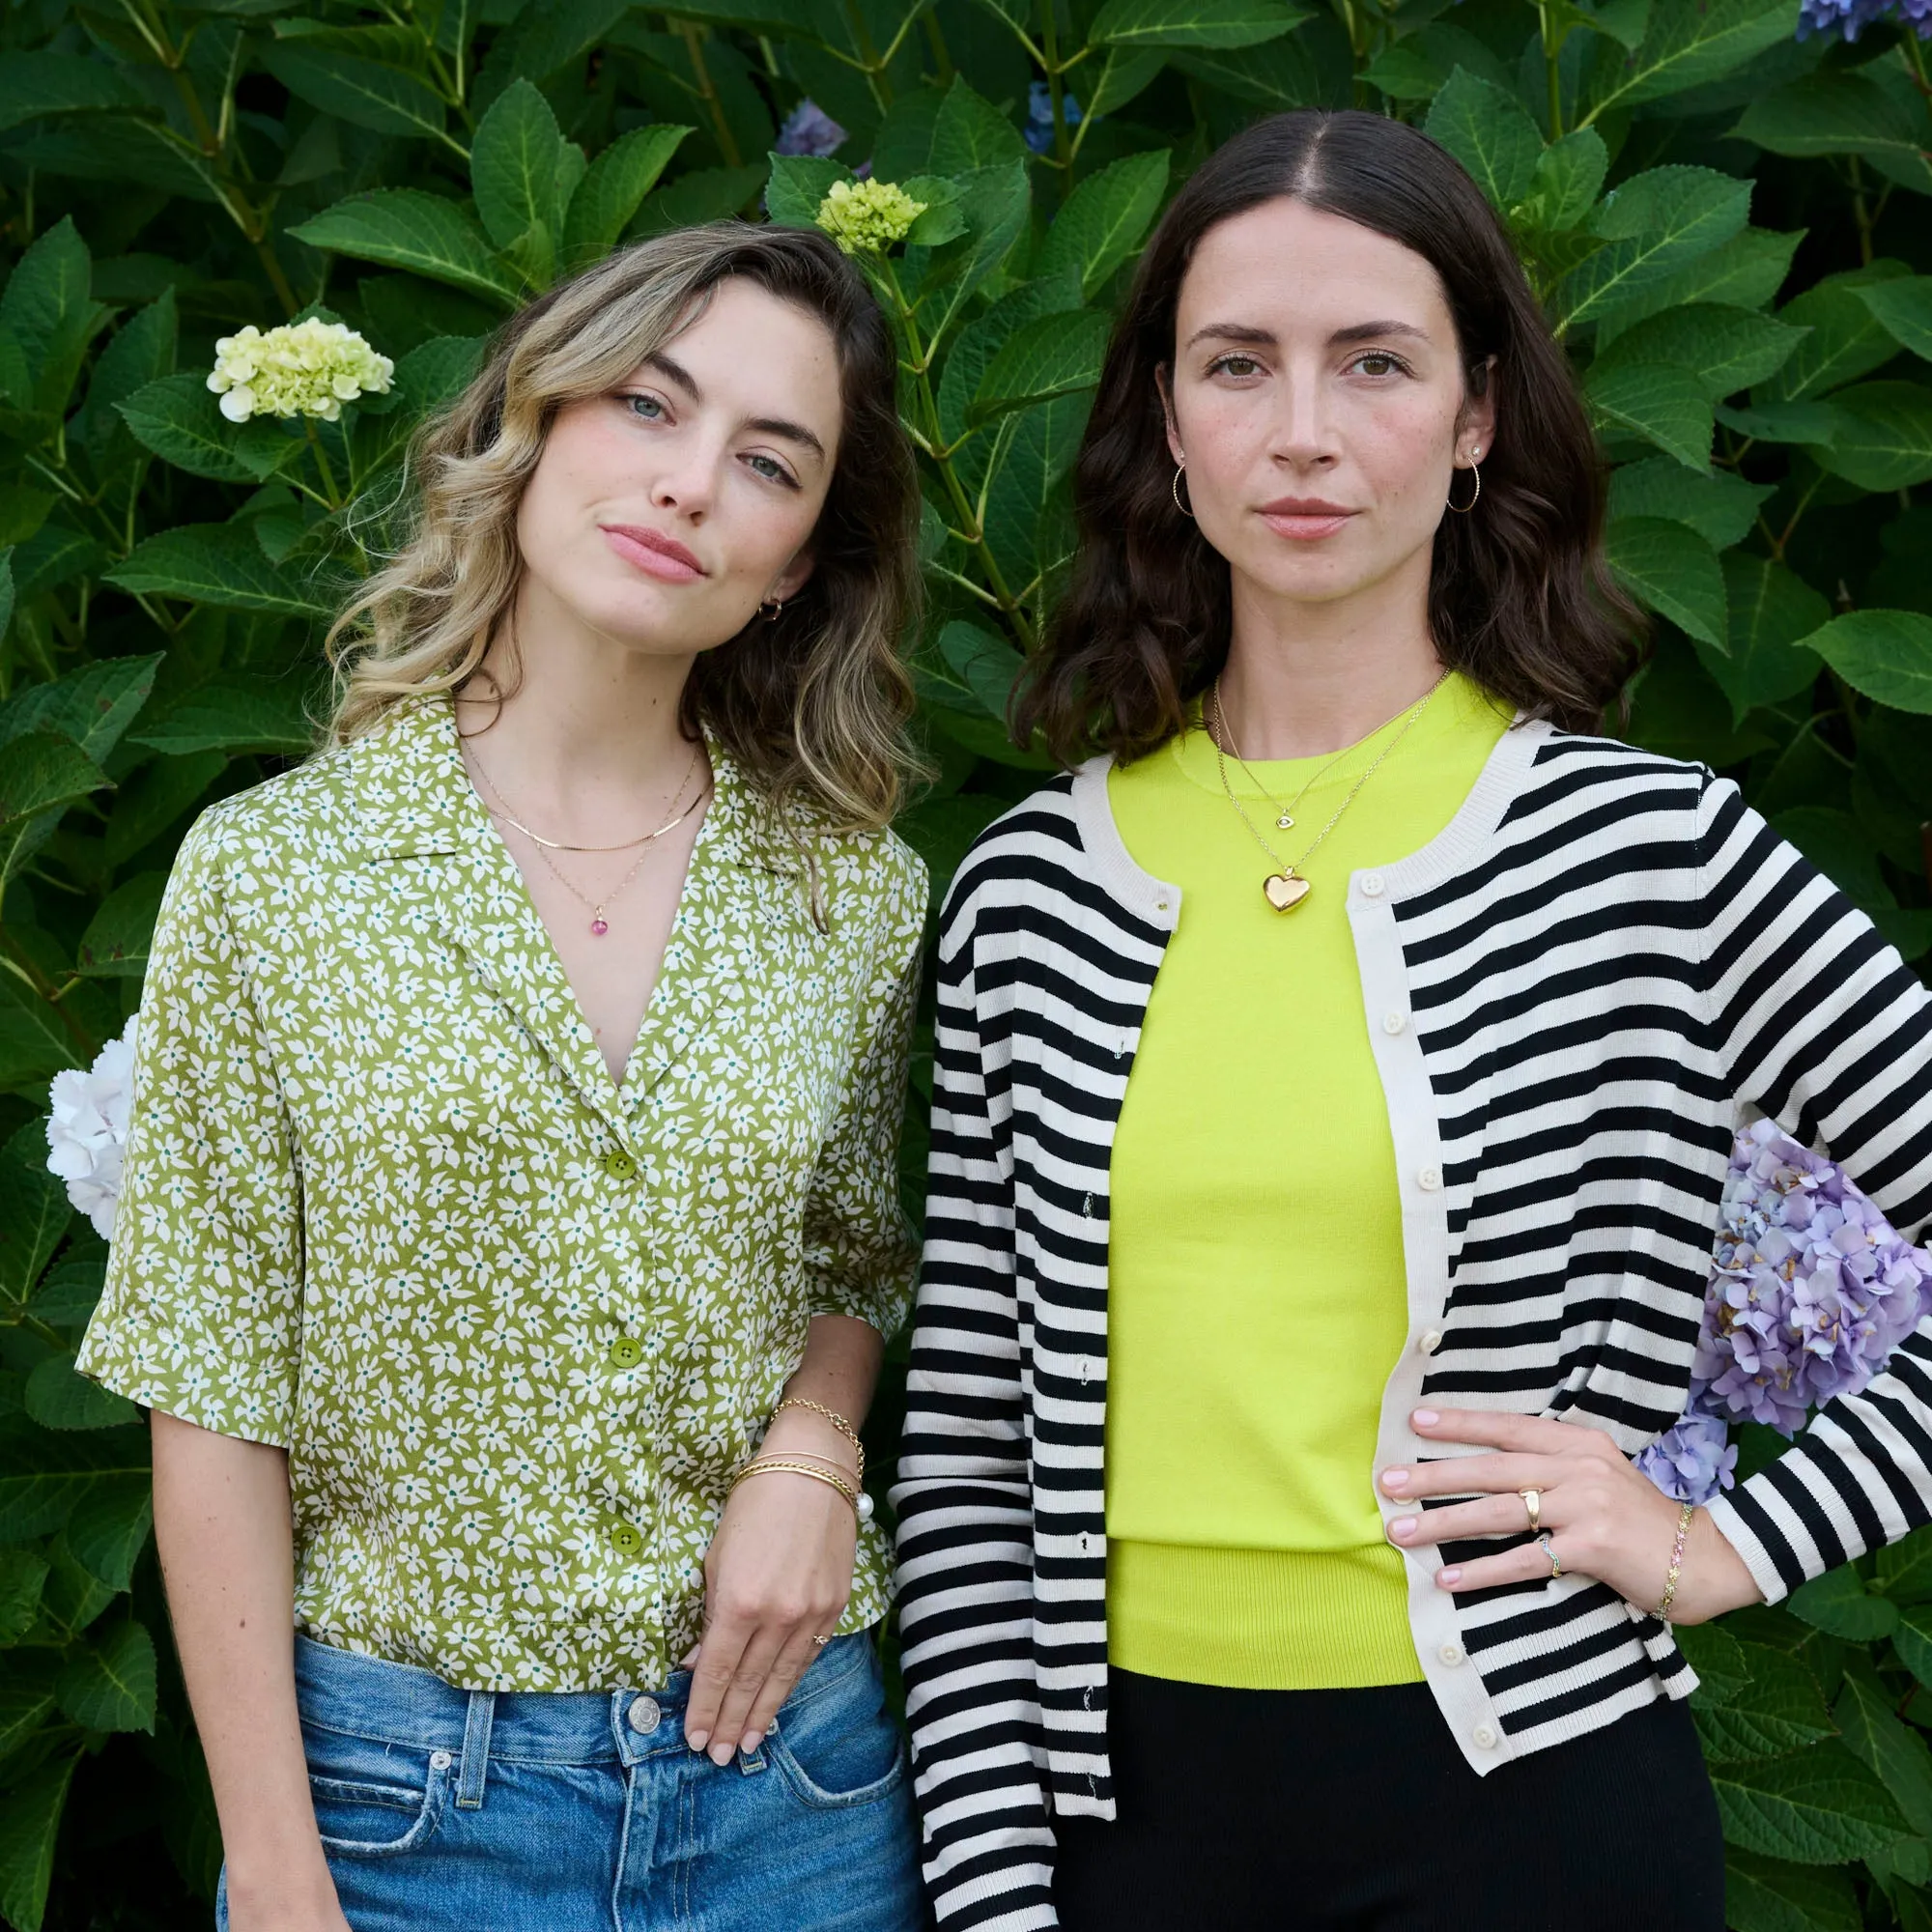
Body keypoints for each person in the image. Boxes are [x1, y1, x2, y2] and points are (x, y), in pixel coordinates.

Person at [892, 108, 1932, 1932]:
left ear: (1472, 425)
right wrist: (991, 1887)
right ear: (1163, 418)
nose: (1302, 431)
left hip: (1531, 1829)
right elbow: (973, 1448)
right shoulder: (1031, 889)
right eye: (1239, 365)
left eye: (1374, 363)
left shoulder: (1650, 851)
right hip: (1112, 1835)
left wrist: (1728, 1539)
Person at [79, 222, 930, 1932]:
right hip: (401, 1817)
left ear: (792, 567)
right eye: (648, 406)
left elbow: (856, 1259)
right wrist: (276, 1869)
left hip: (799, 1789)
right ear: (533, 428)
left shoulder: (857, 891)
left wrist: (815, 1450)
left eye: (768, 462)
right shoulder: (273, 877)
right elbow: (210, 1385)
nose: (691, 484)